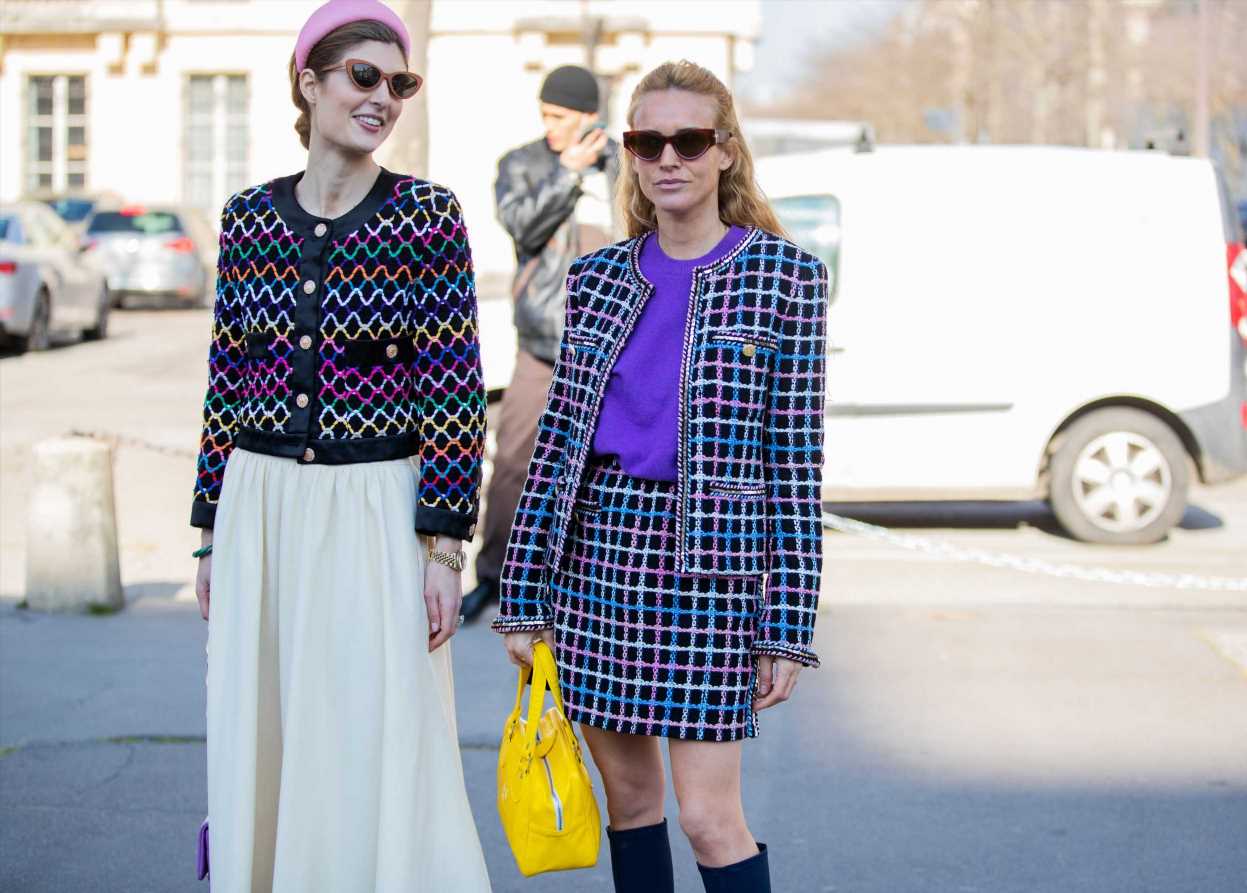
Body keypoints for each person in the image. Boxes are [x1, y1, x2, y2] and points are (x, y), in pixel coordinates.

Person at [493, 60, 828, 893]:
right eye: (648, 140)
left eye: (689, 139)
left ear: (725, 153)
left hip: (713, 574)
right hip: (597, 567)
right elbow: (558, 450)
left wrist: (788, 622)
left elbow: (795, 465)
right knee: (631, 806)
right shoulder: (597, 279)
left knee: (711, 820)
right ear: (632, 154)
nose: (667, 156)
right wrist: (521, 597)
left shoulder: (786, 278)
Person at [190, 2, 490, 889]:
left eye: (399, 84)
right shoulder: (248, 219)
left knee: (379, 722)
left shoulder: (427, 217)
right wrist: (210, 529)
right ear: (309, 81)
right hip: (262, 503)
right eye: (364, 77)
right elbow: (225, 381)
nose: (383, 98)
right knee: (269, 722)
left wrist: (443, 546)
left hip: (376, 506)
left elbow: (454, 386)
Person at [459, 64, 619, 623]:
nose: (550, 127)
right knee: (513, 463)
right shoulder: (524, 164)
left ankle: (586, 585)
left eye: (560, 117)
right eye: (545, 116)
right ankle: (493, 578)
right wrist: (567, 175)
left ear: (589, 116)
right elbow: (521, 226)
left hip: (614, 346)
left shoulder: (625, 163)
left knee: (606, 469)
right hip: (543, 342)